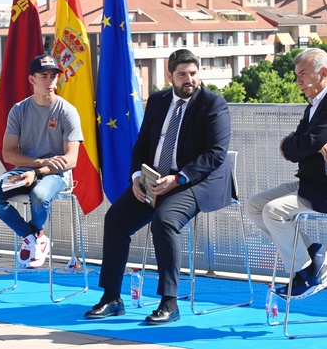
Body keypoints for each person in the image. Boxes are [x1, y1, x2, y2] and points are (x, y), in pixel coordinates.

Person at [84, 49, 232, 325]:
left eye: (193, 73)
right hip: (154, 180)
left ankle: (169, 303)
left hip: (196, 181)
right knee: (115, 219)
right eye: (182, 75)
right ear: (170, 76)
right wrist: (137, 176)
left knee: (164, 221)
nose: (189, 79)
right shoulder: (158, 100)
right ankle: (112, 298)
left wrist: (178, 178)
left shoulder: (213, 104)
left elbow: (216, 154)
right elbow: (141, 145)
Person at [246, 47, 327, 299]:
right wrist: (299, 143)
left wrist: (301, 144)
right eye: (297, 75)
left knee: (273, 211)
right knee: (254, 205)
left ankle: (307, 273)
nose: (298, 81)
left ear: (323, 73)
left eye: (303, 74)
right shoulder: (315, 104)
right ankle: (314, 250)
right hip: (312, 182)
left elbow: (300, 145)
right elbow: (295, 145)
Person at [0, 54, 83, 269]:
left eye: (53, 76)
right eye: (44, 76)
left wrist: (38, 173)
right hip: (26, 170)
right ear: (32, 80)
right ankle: (32, 236)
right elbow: (8, 154)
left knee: (39, 195)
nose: (50, 81)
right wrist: (36, 165)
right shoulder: (19, 110)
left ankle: (34, 236)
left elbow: (71, 159)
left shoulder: (67, 111)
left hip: (56, 174)